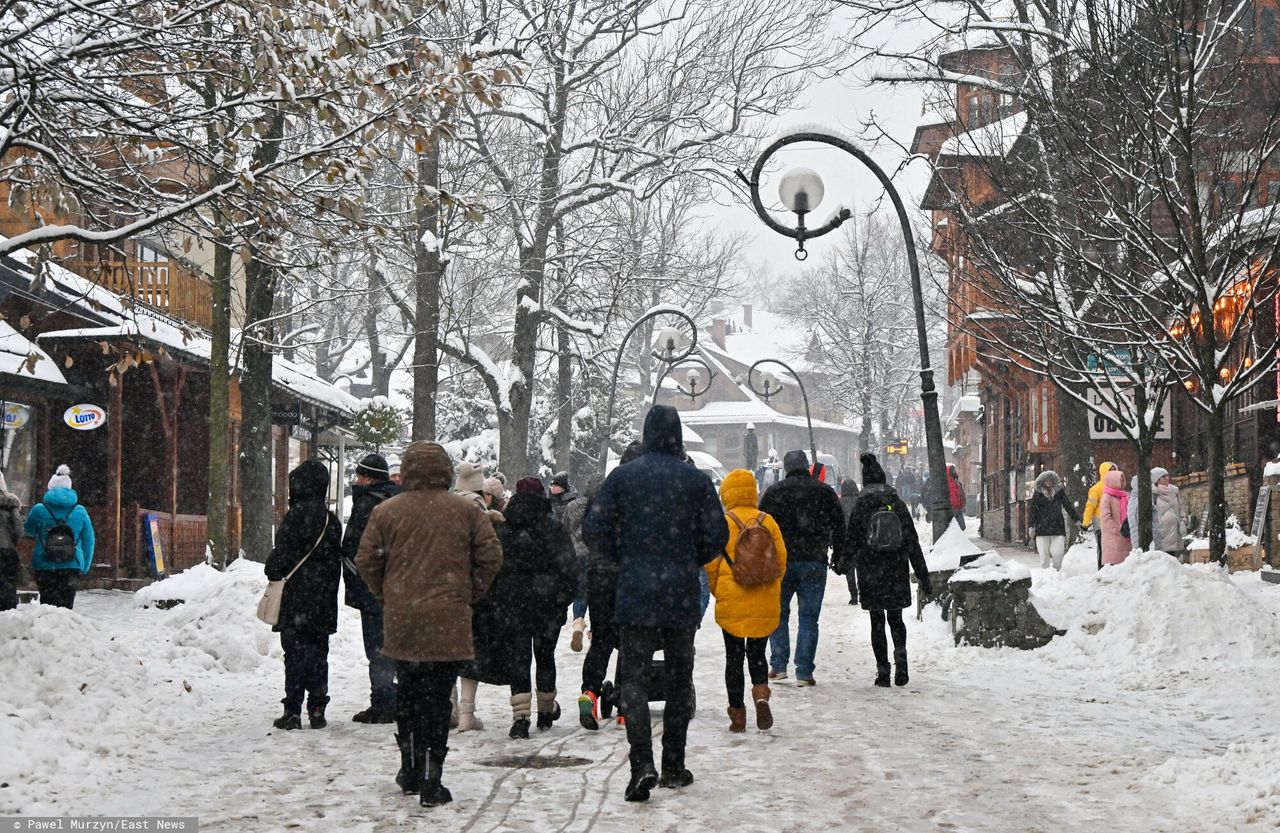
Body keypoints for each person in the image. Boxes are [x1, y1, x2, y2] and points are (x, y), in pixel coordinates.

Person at [583, 405, 728, 802]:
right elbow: (717, 536)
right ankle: (674, 764)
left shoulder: (623, 478)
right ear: (678, 436)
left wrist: (625, 557)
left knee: (633, 678)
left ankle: (641, 763)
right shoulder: (695, 481)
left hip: (635, 591)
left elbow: (593, 528)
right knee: (680, 678)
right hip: (679, 591)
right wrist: (687, 558)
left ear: (646, 434)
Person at [357, 441, 504, 807]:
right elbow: (491, 556)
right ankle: (431, 778)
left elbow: (366, 560)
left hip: (403, 618)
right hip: (448, 619)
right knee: (438, 699)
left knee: (408, 693)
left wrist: (386, 595)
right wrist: (468, 593)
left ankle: (408, 766)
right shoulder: (465, 511)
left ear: (406, 470)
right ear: (445, 470)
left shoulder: (386, 511)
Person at [492, 477, 577, 739]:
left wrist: (498, 600)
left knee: (519, 659)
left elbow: (492, 567)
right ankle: (546, 711)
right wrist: (562, 600)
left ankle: (520, 718)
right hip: (547, 607)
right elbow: (568, 569)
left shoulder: (504, 530)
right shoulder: (552, 528)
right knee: (545, 656)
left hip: (512, 606)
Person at [705, 469, 786, 733]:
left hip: (733, 598)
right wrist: (770, 585)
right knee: (758, 653)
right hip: (763, 597)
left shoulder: (722, 521)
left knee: (733, 658)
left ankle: (737, 716)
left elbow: (711, 564)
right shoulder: (767, 521)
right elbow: (781, 560)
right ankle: (761, 696)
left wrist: (720, 590)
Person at [841, 453, 932, 687]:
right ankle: (901, 663)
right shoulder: (897, 503)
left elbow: (851, 540)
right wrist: (923, 576)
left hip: (870, 569)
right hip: (895, 568)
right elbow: (912, 542)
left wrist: (843, 564)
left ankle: (883, 672)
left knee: (877, 622)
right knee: (896, 618)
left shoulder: (862, 505)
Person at [265, 460, 343, 731]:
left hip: (296, 601)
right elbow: (335, 565)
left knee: (295, 656)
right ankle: (318, 708)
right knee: (319, 655)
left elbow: (279, 560)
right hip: (322, 603)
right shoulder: (331, 522)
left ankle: (293, 710)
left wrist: (272, 569)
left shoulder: (295, 517)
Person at [759, 449, 846, 686]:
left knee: (779, 614)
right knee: (809, 617)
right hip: (814, 561)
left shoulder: (774, 493)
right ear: (807, 467)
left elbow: (761, 527)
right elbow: (839, 526)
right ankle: (804, 671)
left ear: (786, 468)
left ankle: (778, 666)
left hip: (781, 562)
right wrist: (838, 556)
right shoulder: (824, 492)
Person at [577, 443, 642, 730]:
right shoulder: (643, 493)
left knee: (602, 638)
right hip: (630, 574)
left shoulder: (604, 491)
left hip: (599, 573)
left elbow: (588, 533)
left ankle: (589, 692)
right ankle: (625, 705)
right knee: (631, 640)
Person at [342, 453, 401, 724]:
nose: (357, 480)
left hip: (373, 588)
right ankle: (398, 697)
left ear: (367, 477)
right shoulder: (399, 501)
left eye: (359, 476)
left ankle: (383, 701)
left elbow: (355, 549)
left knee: (376, 646)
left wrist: (361, 581)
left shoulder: (367, 505)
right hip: (400, 587)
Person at [452, 461, 507, 733]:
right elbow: (490, 556)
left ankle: (448, 709)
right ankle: (466, 713)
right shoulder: (479, 511)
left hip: (445, 589)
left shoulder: (445, 505)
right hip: (472, 593)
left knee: (446, 652)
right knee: (468, 655)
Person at [23, 465, 95, 609]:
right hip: (71, 564)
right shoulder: (80, 511)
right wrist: (85, 565)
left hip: (44, 563)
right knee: (66, 607)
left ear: (51, 487)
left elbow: (28, 531)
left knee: (47, 606)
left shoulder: (39, 509)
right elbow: (89, 540)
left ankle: (45, 629)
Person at [549, 471, 588, 651]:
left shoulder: (566, 506)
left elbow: (562, 527)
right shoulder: (584, 504)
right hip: (585, 552)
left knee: (575, 589)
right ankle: (581, 624)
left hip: (568, 552)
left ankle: (578, 622)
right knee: (585, 590)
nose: (552, 487)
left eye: (556, 485)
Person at [1028, 470, 1078, 570]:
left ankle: (1056, 572)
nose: (1049, 481)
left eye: (1051, 479)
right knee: (1044, 557)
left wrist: (1076, 520)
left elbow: (1068, 506)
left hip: (1057, 527)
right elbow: (1032, 511)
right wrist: (1031, 526)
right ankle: (1046, 575)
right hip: (1041, 528)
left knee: (1058, 553)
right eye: (1046, 480)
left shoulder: (1059, 492)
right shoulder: (1038, 494)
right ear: (1042, 481)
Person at [1082, 462, 1116, 570]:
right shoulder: (1096, 489)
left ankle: (1112, 568)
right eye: (1110, 470)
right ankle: (1102, 568)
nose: (1113, 473)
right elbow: (1090, 507)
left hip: (1115, 523)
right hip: (1100, 524)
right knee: (1102, 547)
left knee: (1113, 548)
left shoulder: (1117, 487)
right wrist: (1085, 522)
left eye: (1114, 470)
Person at [0, 473, 24, 612]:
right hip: (8, 549)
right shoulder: (11, 504)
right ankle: (8, 612)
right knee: (9, 583)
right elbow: (19, 529)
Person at [1098, 468, 1132, 566]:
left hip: (1125, 536)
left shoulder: (1125, 496)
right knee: (1114, 567)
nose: (1122, 482)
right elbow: (1105, 518)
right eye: (1119, 480)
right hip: (1113, 538)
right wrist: (1119, 529)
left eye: (1123, 480)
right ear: (1113, 481)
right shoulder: (1106, 497)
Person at [1151, 467, 1185, 556]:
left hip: (1175, 533)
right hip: (1162, 534)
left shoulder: (1175, 491)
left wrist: (1183, 521)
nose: (1167, 478)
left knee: (1174, 561)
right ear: (1156, 480)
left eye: (1167, 475)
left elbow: (1181, 508)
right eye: (1163, 476)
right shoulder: (1153, 494)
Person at [839, 477, 860, 605]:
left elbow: (837, 523)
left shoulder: (840, 503)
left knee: (850, 570)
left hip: (846, 540)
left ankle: (853, 595)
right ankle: (863, 592)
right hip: (860, 539)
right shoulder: (861, 501)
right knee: (861, 568)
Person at [946, 464, 966, 529]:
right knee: (959, 527)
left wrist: (963, 503)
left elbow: (962, 494)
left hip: (958, 508)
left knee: (962, 527)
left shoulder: (957, 484)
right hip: (953, 508)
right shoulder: (947, 484)